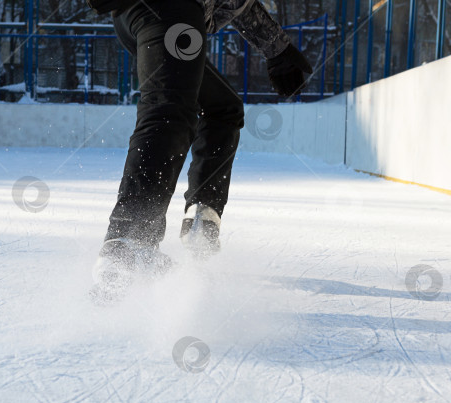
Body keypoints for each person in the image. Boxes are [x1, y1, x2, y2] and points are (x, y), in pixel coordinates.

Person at [87, 0, 313, 304]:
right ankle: (128, 240)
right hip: (170, 12)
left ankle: (202, 216)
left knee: (222, 108)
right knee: (168, 109)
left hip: (141, 16)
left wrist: (278, 49)